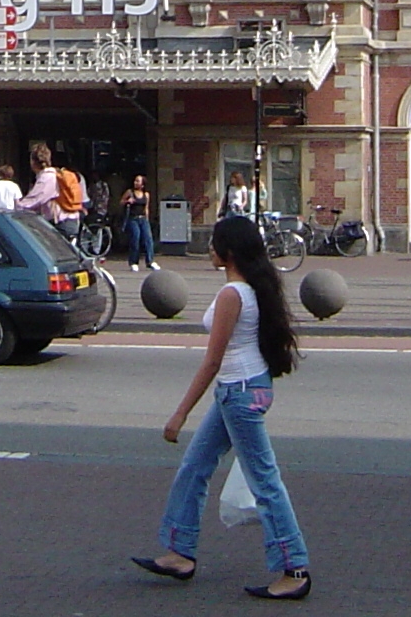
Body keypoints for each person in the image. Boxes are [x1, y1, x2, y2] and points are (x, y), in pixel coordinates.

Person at [132, 216, 310, 601]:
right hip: (242, 389)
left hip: (239, 393)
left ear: (228, 251)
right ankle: (180, 552)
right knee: (195, 466)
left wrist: (179, 414)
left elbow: (212, 361)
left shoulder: (234, 295)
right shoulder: (250, 289)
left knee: (265, 482)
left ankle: (294, 567)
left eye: (213, 243)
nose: (209, 249)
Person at [122, 173, 158, 271]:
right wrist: (127, 201)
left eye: (138, 181)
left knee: (148, 239)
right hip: (133, 218)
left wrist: (147, 218)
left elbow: (146, 208)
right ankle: (133, 262)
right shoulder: (130, 192)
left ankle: (150, 261)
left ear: (142, 184)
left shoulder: (146, 195)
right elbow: (121, 202)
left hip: (143, 219)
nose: (136, 182)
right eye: (135, 180)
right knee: (135, 238)